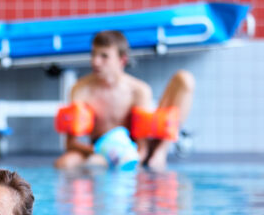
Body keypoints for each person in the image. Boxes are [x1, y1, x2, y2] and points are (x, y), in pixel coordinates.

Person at [54, 30, 195, 171]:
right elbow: (70, 144)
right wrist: (103, 152)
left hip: (130, 151)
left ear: (122, 60)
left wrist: (129, 157)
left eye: (104, 56)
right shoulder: (80, 89)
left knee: (184, 78)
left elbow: (142, 148)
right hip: (97, 149)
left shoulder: (138, 90)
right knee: (65, 163)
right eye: (93, 54)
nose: (95, 61)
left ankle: (161, 153)